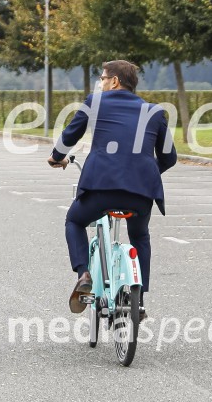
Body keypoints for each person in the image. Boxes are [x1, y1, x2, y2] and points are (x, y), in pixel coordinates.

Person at [47, 59, 176, 318]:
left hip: (100, 188)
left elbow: (69, 136)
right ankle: (139, 300)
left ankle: (84, 275)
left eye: (103, 78)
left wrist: (56, 157)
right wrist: (142, 175)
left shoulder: (95, 102)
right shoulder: (154, 111)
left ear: (114, 81)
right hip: (141, 194)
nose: (101, 83)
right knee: (140, 236)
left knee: (74, 220)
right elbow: (169, 158)